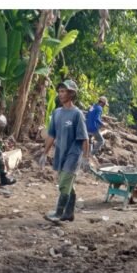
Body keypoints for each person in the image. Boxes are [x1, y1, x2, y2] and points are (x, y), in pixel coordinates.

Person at [41, 79, 89, 223]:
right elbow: (51, 135)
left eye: (64, 91)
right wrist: (44, 153)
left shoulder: (77, 114)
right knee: (68, 184)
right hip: (60, 154)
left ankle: (59, 213)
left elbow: (85, 138)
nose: (61, 94)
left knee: (63, 184)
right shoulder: (56, 113)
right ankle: (69, 213)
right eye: (60, 91)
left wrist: (86, 158)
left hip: (73, 155)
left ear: (71, 93)